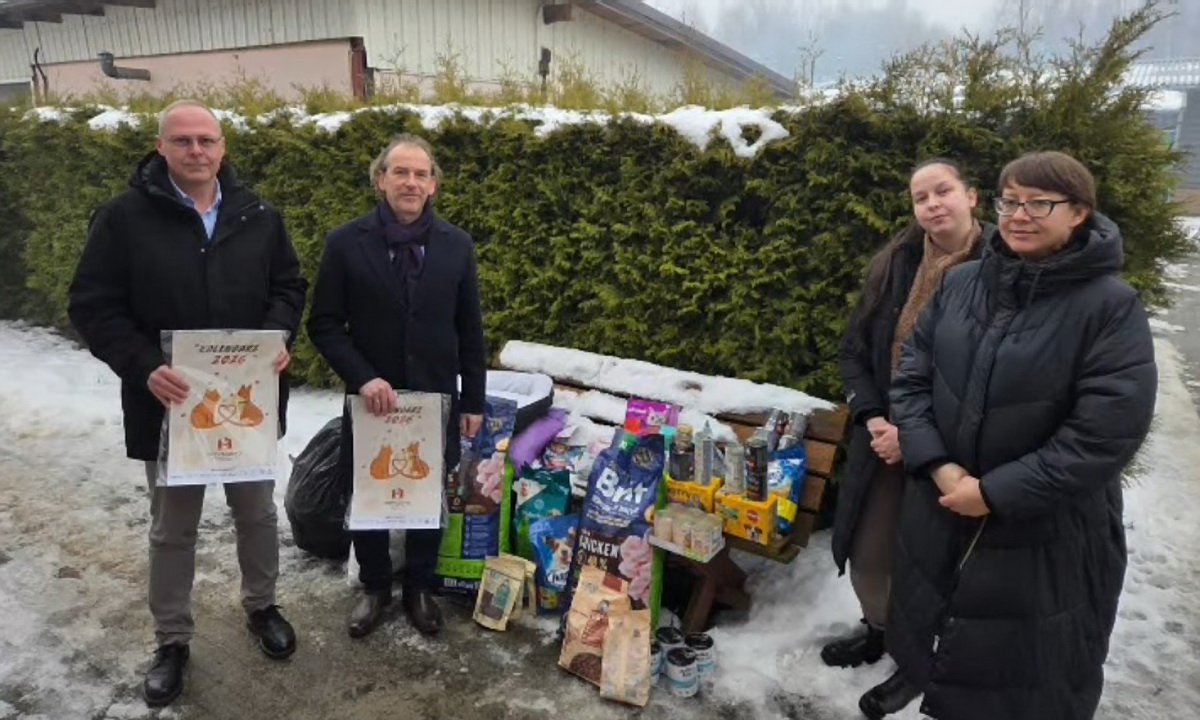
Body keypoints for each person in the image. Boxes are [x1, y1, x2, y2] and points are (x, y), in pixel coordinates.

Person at [864, 151, 1157, 720]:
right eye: (1011, 201)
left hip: (1042, 534)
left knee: (1022, 681)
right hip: (942, 508)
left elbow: (1104, 435)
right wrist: (939, 466)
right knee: (942, 649)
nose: (1020, 215)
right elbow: (913, 378)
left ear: (1079, 212)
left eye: (1039, 203)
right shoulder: (962, 283)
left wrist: (993, 493)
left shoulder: (1111, 307)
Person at [68, 100, 307, 707]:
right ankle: (172, 640)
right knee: (173, 529)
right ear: (161, 147)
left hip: (246, 405)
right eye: (183, 141)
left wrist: (277, 335)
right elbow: (92, 306)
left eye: (207, 140)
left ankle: (262, 607)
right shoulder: (123, 219)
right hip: (168, 406)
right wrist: (144, 365)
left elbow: (288, 286)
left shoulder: (259, 215)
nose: (197, 151)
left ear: (223, 147)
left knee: (257, 513)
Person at [307, 133, 486, 639]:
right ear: (380, 180)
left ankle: (419, 587)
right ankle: (375, 586)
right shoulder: (346, 243)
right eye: (400, 172)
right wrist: (363, 376)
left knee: (427, 492)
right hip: (372, 400)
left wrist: (473, 399)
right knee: (369, 492)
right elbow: (324, 323)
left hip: (435, 397)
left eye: (421, 174)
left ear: (433, 185)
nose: (411, 182)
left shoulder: (456, 245)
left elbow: (470, 329)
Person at [827, 159, 992, 670]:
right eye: (921, 198)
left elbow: (995, 377)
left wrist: (917, 435)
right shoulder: (896, 263)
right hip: (884, 441)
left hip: (958, 451)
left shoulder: (1002, 268)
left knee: (941, 562)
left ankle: (931, 654)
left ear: (972, 196)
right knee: (871, 554)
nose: (933, 204)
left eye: (943, 191)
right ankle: (880, 631)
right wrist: (872, 415)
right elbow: (854, 351)